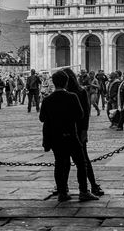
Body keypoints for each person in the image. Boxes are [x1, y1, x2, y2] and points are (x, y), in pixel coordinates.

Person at [39, 68, 99, 202]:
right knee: (81, 163)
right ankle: (83, 191)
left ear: (53, 83)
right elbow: (80, 114)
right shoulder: (73, 96)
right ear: (66, 83)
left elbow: (42, 118)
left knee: (60, 164)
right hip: (71, 135)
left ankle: (62, 193)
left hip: (55, 137)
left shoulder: (48, 99)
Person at [63, 67, 104, 197]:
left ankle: (63, 190)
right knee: (83, 161)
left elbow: (85, 114)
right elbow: (85, 114)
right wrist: (84, 131)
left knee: (65, 162)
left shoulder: (74, 93)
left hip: (69, 132)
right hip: (78, 131)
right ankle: (89, 188)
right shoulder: (79, 92)